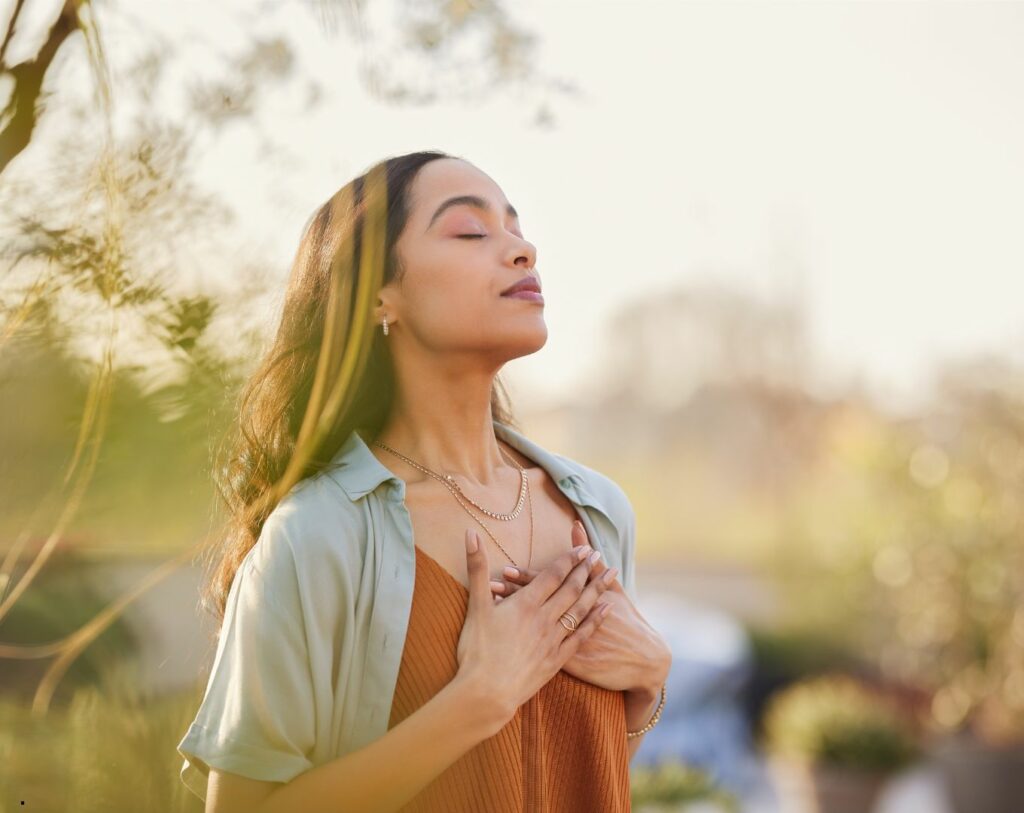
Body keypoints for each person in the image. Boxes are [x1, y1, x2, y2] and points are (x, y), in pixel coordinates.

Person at [175, 150, 672, 812]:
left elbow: (577, 770)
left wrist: (647, 686)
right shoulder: (318, 535)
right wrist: (477, 699)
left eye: (517, 228)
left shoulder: (600, 511)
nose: (522, 250)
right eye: (471, 231)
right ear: (381, 296)